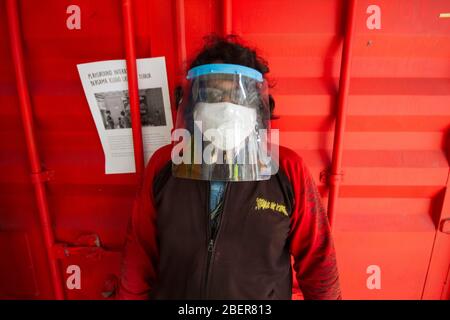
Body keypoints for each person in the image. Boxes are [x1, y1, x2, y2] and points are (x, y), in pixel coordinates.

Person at [118, 35, 341, 300]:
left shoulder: (287, 171)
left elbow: (318, 261)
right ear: (192, 106)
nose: (226, 108)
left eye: (238, 96)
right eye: (212, 95)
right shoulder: (165, 166)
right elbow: (138, 257)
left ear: (258, 108)